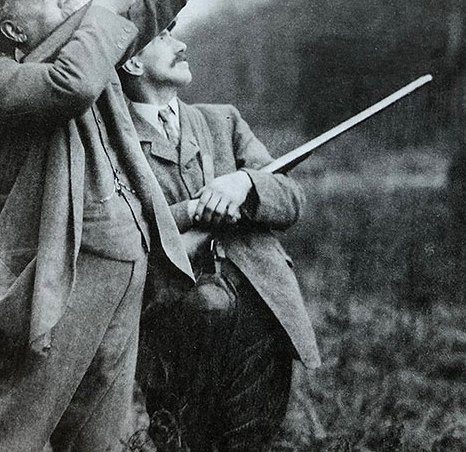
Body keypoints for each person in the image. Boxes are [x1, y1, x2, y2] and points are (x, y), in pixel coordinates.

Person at [0, 0, 257, 452]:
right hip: (56, 281)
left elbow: (156, 3)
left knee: (100, 440)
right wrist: (106, 5)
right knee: (12, 434)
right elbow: (72, 85)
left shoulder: (88, 45)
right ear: (12, 32)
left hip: (124, 269)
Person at [118, 25, 321, 452]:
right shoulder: (111, 142)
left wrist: (245, 184)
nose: (181, 44)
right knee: (185, 439)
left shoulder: (221, 120)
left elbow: (290, 199)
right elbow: (119, 226)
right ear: (133, 62)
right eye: (164, 37)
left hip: (262, 309)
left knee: (253, 438)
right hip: (177, 321)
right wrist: (192, 210)